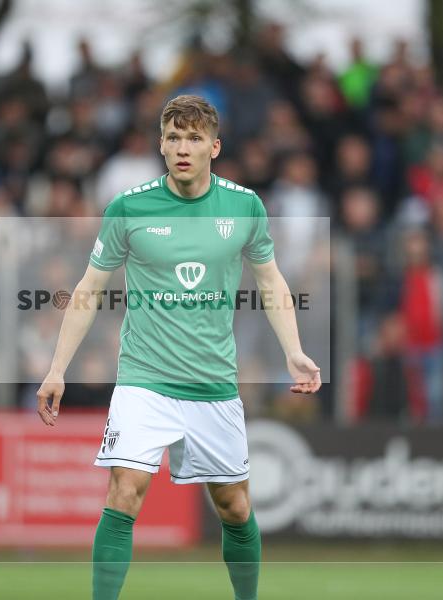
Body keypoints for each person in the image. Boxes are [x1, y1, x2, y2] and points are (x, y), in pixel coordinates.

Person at [36, 95, 321, 600]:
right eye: (172, 138)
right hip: (144, 379)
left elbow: (273, 283)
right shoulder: (129, 206)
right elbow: (88, 288)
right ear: (160, 145)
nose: (181, 148)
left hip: (213, 384)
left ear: (215, 146)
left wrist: (293, 351)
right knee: (125, 493)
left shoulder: (244, 205)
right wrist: (58, 368)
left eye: (192, 138)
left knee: (234, 506)